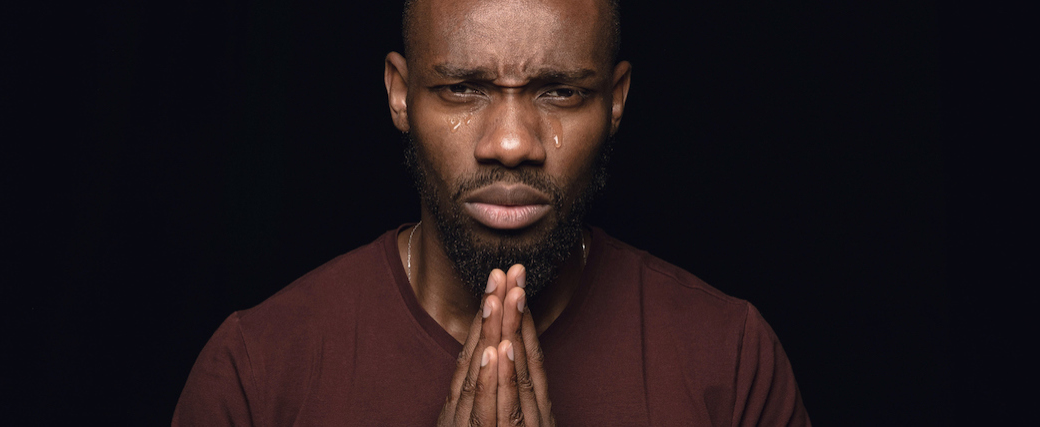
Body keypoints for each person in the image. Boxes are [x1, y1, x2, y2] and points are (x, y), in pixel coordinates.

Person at [173, 0, 810, 425]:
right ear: (400, 94)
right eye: (463, 88)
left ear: (615, 102)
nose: (510, 144)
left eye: (561, 91)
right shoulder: (256, 374)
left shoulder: (729, 363)